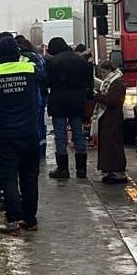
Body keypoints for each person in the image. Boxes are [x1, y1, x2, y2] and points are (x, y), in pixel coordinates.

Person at [0, 36, 41, 235]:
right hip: (30, 132)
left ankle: (14, 219)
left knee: (8, 177)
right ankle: (30, 219)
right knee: (30, 177)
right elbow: (43, 75)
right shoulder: (29, 69)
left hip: (6, 134)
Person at [46, 37, 94, 179]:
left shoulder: (52, 62)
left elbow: (47, 82)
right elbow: (89, 84)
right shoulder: (81, 61)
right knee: (78, 133)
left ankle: (63, 169)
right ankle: (81, 169)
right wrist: (88, 98)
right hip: (77, 101)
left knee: (60, 134)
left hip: (58, 102)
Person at [92, 61, 127, 183]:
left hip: (112, 118)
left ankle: (116, 171)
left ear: (110, 70)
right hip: (109, 118)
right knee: (109, 144)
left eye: (104, 72)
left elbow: (113, 100)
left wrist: (98, 96)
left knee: (112, 144)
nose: (102, 75)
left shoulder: (117, 82)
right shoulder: (113, 81)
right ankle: (111, 171)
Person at [15, 35, 48, 159]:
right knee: (40, 123)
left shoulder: (22, 59)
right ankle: (41, 149)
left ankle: (33, 151)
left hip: (30, 96)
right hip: (41, 94)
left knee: (31, 124)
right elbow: (43, 75)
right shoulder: (38, 56)